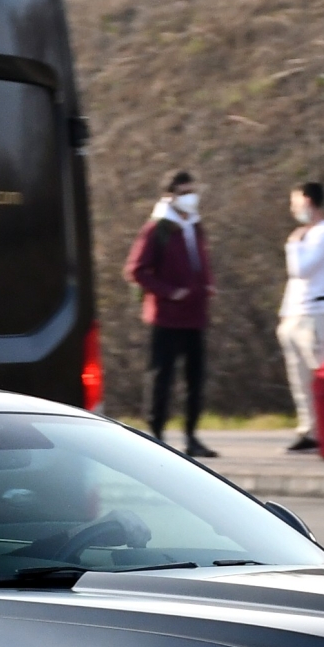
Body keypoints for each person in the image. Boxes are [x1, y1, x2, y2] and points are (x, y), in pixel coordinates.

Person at [124, 170, 216, 457]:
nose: (191, 197)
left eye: (192, 190)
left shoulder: (195, 226)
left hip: (195, 315)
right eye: (184, 192)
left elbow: (200, 262)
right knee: (161, 377)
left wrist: (208, 284)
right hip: (166, 317)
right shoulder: (158, 228)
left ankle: (191, 435)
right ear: (170, 196)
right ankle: (157, 434)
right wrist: (168, 291)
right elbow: (135, 270)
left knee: (195, 379)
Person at [276, 181, 324, 452]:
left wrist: (293, 244)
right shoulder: (307, 235)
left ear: (308, 201)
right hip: (295, 313)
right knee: (300, 379)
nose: (294, 209)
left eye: (296, 203)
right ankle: (311, 430)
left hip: (318, 314)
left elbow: (301, 270)